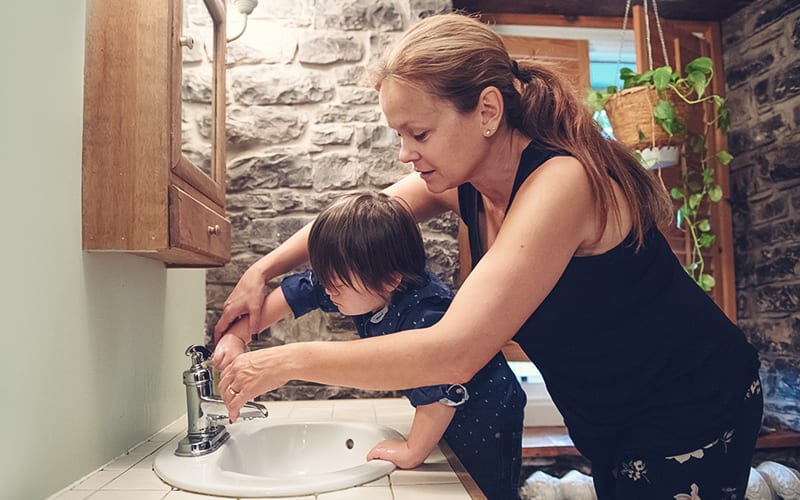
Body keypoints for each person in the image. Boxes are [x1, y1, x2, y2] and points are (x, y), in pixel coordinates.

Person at [214, 12, 763, 500]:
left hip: (694, 404)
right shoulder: (465, 181)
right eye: (399, 135)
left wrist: (285, 361)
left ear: (488, 110)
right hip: (609, 414)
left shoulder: (561, 184)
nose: (407, 154)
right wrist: (261, 272)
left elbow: (453, 352)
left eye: (419, 133)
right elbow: (367, 217)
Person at [212, 192, 526, 500]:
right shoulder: (364, 281)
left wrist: (413, 451)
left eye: (336, 286)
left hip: (488, 411)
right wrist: (237, 336)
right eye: (327, 281)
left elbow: (441, 387)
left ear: (391, 280)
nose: (328, 292)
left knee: (486, 487)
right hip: (446, 403)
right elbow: (296, 295)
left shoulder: (424, 312)